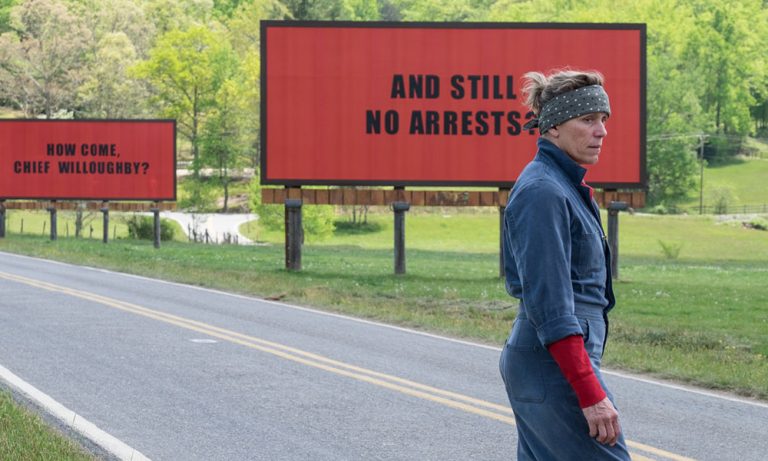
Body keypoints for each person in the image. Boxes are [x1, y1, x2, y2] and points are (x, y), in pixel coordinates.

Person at [498, 69, 631, 461]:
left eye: (603, 120)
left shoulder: (562, 186)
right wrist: (590, 393)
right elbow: (552, 307)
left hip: (551, 363)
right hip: (551, 364)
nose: (601, 131)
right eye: (588, 120)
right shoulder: (543, 192)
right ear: (553, 126)